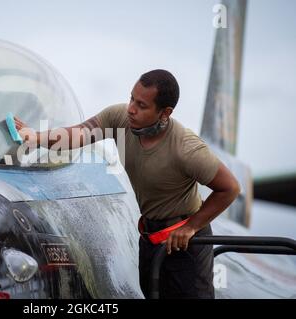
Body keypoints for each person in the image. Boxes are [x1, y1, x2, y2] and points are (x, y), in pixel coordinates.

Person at [14, 69, 240, 299]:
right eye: (131, 98)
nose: (131, 108)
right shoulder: (119, 118)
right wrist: (35, 136)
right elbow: (77, 134)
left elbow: (230, 188)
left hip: (186, 244)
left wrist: (191, 226)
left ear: (165, 113)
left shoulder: (186, 148)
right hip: (151, 239)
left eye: (142, 105)